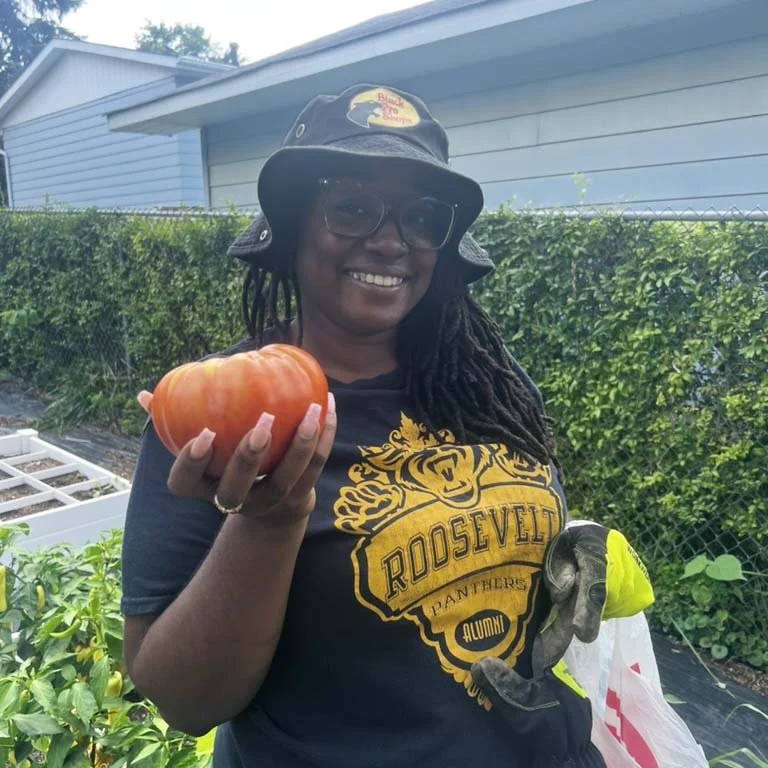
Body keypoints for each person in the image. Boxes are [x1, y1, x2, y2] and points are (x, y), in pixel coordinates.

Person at [121, 84, 652, 768]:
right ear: (295, 223)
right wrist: (269, 522)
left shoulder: (486, 379)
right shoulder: (225, 415)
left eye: (422, 217)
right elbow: (184, 701)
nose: (390, 240)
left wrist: (561, 554)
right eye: (351, 207)